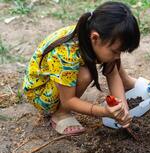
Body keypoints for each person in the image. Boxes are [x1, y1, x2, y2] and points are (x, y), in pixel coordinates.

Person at [23, 2, 140, 135]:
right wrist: (104, 112)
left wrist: (123, 111)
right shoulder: (65, 53)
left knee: (102, 64)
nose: (118, 56)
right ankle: (60, 114)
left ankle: (128, 80)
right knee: (86, 74)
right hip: (40, 92)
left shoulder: (96, 36)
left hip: (59, 79)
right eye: (115, 51)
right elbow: (68, 101)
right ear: (95, 38)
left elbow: (112, 74)